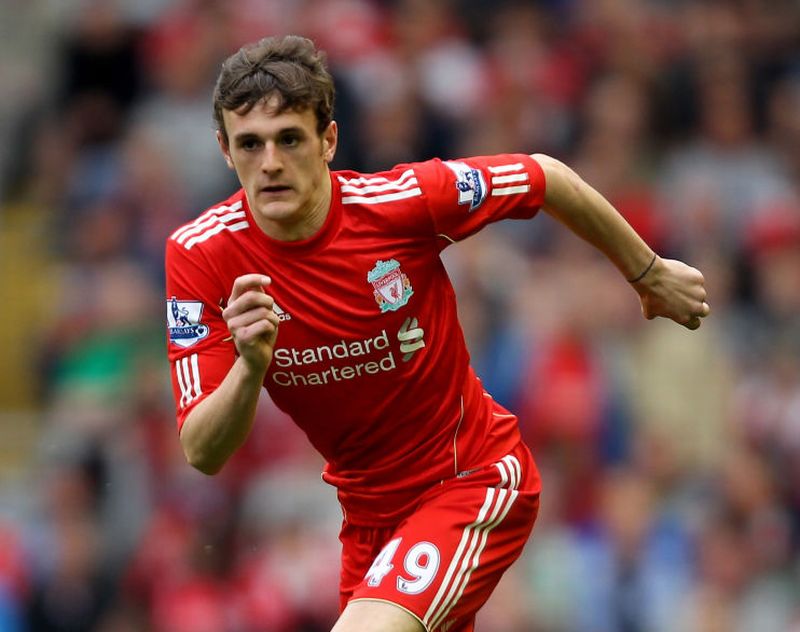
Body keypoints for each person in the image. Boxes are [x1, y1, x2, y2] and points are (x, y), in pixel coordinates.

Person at [164, 35, 710, 632]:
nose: (270, 162)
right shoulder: (200, 256)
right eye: (250, 143)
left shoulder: (403, 204)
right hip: (369, 525)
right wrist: (249, 367)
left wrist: (649, 273)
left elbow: (545, 177)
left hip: (472, 479)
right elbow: (203, 451)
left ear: (328, 140)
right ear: (225, 149)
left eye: (289, 138)